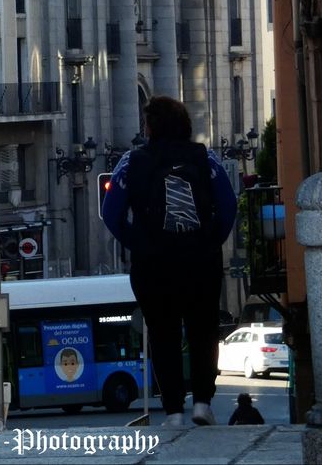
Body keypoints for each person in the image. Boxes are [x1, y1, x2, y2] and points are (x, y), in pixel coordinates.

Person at [101, 96, 237, 429]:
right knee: (204, 330)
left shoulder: (130, 162)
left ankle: (174, 409)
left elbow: (110, 213)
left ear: (150, 127)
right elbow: (229, 205)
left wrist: (138, 243)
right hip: (200, 261)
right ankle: (203, 401)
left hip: (154, 264)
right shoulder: (207, 160)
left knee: (163, 334)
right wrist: (209, 242)